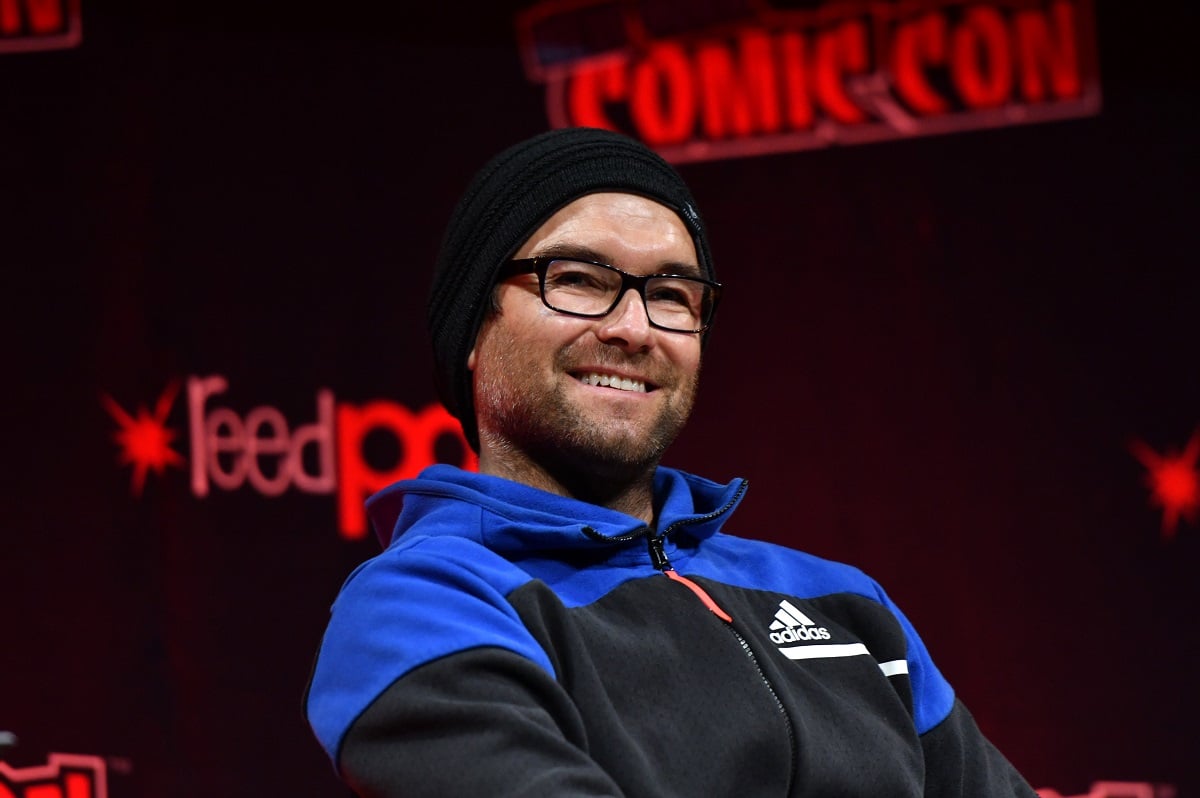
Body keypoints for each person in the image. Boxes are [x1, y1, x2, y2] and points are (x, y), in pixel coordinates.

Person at [305, 127, 1036, 797]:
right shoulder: (418, 606)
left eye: (671, 294)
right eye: (579, 279)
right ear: (471, 328)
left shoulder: (847, 604)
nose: (632, 327)